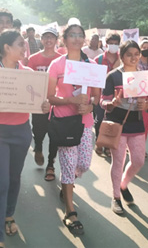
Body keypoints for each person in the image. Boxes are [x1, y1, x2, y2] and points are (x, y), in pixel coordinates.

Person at [0, 30, 50, 248]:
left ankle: (9, 215)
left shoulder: (28, 74)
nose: (25, 49)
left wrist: (45, 106)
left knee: (14, 178)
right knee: (0, 183)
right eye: (20, 45)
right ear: (6, 48)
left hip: (21, 132)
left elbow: (40, 103)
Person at [47, 23, 100, 236]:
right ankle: (70, 210)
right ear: (65, 39)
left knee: (84, 164)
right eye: (72, 35)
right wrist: (71, 100)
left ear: (84, 39)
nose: (76, 38)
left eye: (80, 35)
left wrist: (90, 105)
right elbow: (50, 97)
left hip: (85, 123)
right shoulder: (57, 65)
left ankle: (67, 184)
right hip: (64, 122)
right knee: (68, 166)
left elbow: (97, 96)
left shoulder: (92, 64)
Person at [101, 40, 148, 215]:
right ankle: (116, 196)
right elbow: (103, 101)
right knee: (118, 161)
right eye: (129, 54)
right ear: (122, 56)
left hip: (136, 123)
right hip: (117, 123)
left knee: (139, 160)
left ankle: (123, 185)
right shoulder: (113, 76)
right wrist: (112, 103)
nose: (133, 58)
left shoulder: (145, 76)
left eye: (136, 54)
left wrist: (146, 105)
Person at [27, 26, 62, 181]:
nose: (48, 40)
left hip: (56, 103)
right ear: (41, 39)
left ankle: (50, 165)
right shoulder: (33, 59)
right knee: (39, 131)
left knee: (55, 134)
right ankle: (39, 148)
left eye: (52, 37)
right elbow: (28, 81)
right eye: (45, 37)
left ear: (56, 40)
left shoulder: (63, 59)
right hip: (38, 103)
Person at [93, 33, 121, 157]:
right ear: (106, 44)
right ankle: (99, 142)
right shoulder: (98, 60)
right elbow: (92, 78)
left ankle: (108, 145)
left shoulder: (123, 60)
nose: (113, 46)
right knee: (99, 121)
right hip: (100, 96)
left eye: (116, 43)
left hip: (117, 96)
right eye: (111, 43)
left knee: (113, 121)